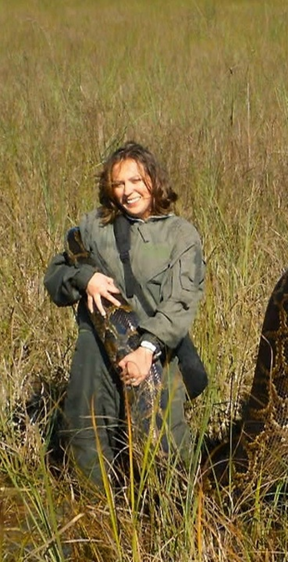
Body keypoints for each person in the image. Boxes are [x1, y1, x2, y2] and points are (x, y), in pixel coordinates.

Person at [44, 141, 205, 488]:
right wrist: (84, 278)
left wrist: (148, 350)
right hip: (96, 345)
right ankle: (96, 517)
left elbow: (181, 300)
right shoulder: (93, 227)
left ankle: (170, 519)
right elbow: (55, 278)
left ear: (153, 179)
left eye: (136, 180)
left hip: (156, 349)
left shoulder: (180, 235)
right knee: (87, 432)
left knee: (168, 451)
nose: (128, 191)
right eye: (118, 184)